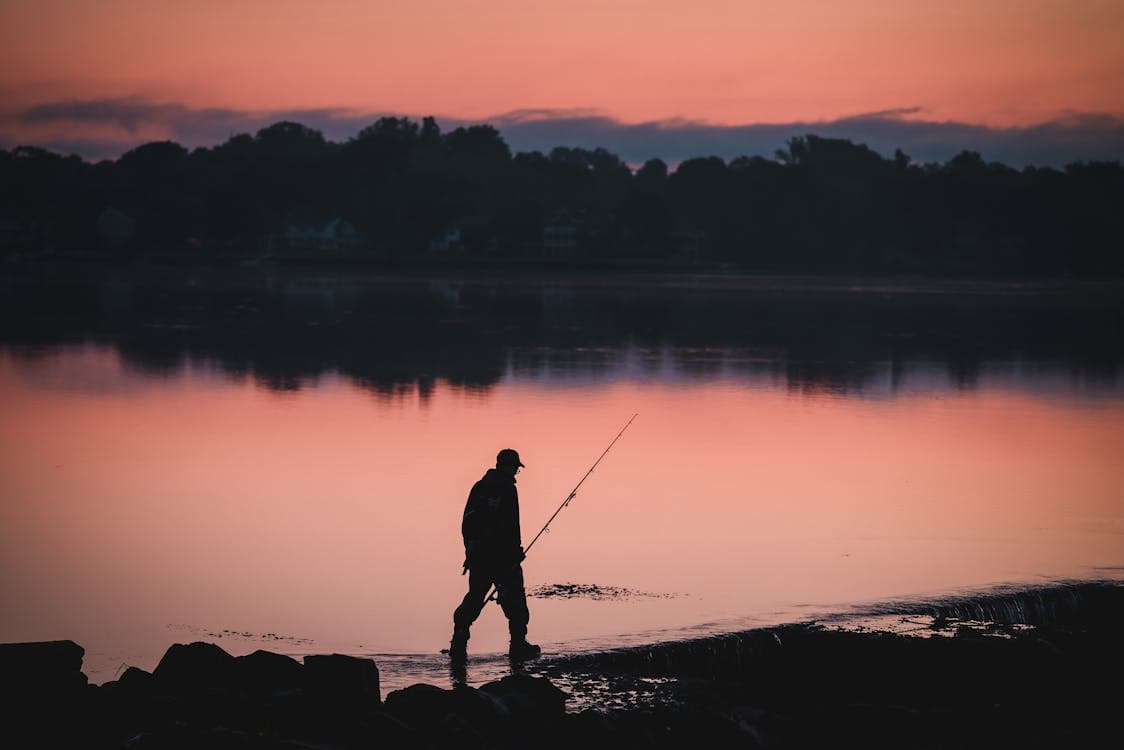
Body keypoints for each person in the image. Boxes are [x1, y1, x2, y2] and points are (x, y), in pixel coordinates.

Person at [450, 448, 541, 662]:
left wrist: (470, 550)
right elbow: (511, 524)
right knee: (516, 601)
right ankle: (518, 646)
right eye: (516, 469)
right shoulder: (508, 489)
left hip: (479, 556)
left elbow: (466, 523)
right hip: (503, 558)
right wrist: (516, 552)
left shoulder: (479, 487)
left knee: (474, 597)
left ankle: (458, 642)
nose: (516, 473)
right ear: (509, 467)